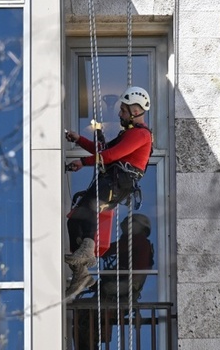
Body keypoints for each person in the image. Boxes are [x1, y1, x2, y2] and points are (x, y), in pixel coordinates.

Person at [64, 86, 152, 298]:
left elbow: (112, 155)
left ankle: (86, 252)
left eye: (123, 110)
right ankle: (81, 274)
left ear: (136, 111)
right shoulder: (128, 134)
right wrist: (78, 139)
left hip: (119, 182)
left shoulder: (141, 135)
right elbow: (102, 152)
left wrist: (82, 162)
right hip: (111, 179)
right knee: (74, 219)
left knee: (92, 207)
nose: (120, 114)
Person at [73, 214, 154, 349]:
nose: (124, 225)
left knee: (79, 309)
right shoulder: (136, 244)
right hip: (117, 295)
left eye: (128, 222)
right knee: (87, 315)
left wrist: (85, 245)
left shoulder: (137, 241)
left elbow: (109, 250)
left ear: (139, 226)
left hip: (119, 296)